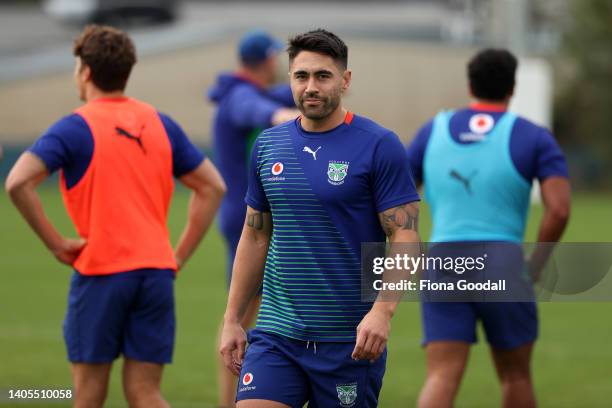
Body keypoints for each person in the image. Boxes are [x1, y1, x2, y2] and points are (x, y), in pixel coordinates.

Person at [5, 25, 226, 408]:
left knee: (89, 394)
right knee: (146, 392)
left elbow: (17, 182)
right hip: (155, 274)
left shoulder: (75, 126)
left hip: (102, 273)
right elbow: (213, 187)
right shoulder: (160, 123)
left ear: (85, 72)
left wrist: (57, 244)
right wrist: (176, 256)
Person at [219, 29, 421, 407]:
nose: (311, 86)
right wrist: (233, 318)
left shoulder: (379, 144)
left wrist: (383, 311)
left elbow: (406, 237)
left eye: (322, 76)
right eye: (301, 76)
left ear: (344, 80)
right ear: (290, 79)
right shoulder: (268, 145)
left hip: (349, 342)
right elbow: (255, 235)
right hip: (276, 336)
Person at [406, 49, 571, 408]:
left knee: (440, 375)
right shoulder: (533, 136)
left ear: (470, 84)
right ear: (512, 87)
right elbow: (558, 209)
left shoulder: (432, 131)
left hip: (444, 262)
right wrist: (537, 264)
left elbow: (396, 197)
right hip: (504, 262)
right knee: (516, 374)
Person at [207, 30, 299, 407]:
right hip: (248, 221)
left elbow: (280, 95)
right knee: (240, 318)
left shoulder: (254, 90)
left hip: (256, 218)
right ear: (266, 60)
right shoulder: (240, 97)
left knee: (252, 315)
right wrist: (285, 116)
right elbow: (259, 109)